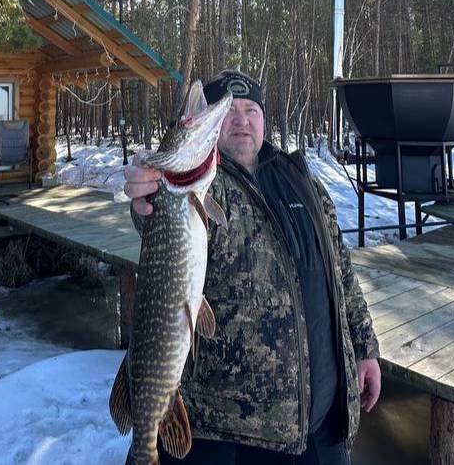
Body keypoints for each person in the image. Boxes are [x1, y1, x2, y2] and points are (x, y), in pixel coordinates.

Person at [123, 70, 381, 464]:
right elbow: (156, 211)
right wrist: (149, 191)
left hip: (321, 428)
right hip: (233, 439)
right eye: (229, 112)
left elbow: (340, 272)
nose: (242, 120)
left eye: (251, 110)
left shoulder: (301, 180)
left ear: (265, 120)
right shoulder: (204, 184)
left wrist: (364, 349)